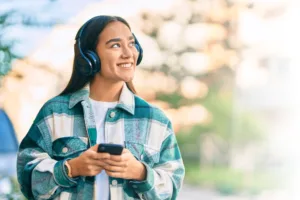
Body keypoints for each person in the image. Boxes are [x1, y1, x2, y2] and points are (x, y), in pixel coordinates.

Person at [17, 15, 185, 200]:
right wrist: (71, 168)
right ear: (90, 57)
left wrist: (140, 172)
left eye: (131, 44)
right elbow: (27, 178)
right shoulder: (54, 113)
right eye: (115, 45)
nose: (128, 54)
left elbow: (172, 187)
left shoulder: (155, 120)